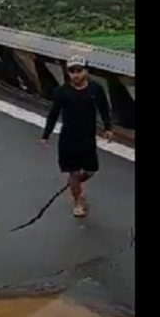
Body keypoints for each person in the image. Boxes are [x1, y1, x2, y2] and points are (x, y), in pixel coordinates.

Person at [39, 56, 114, 218]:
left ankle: (77, 185)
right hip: (68, 138)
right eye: (72, 71)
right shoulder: (62, 92)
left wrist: (108, 127)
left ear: (86, 71)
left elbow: (104, 108)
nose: (75, 75)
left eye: (79, 71)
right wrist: (46, 135)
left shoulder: (95, 89)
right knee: (73, 173)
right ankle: (77, 202)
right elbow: (53, 114)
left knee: (91, 170)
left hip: (87, 138)